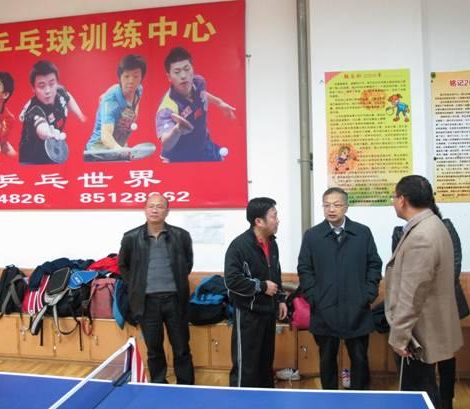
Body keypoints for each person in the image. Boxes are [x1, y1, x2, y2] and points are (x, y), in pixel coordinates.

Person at [385, 175, 463, 409]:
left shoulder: (421, 235)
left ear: (402, 200)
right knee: (426, 389)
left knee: (417, 392)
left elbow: (413, 293)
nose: (393, 202)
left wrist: (400, 336)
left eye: (394, 197)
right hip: (429, 325)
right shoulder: (434, 224)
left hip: (417, 334)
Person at [298, 187, 382, 390]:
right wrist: (313, 296)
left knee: (359, 358)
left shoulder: (362, 233)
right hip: (324, 308)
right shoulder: (312, 236)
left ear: (346, 207)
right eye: (326, 205)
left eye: (336, 205)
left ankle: (360, 398)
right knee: (327, 359)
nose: (331, 209)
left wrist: (368, 294)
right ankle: (329, 398)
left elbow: (374, 264)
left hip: (357, 308)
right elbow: (304, 268)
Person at [118, 193, 194, 384]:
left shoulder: (181, 236)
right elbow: (123, 266)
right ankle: (159, 384)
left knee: (181, 348)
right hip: (147, 303)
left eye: (159, 206)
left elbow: (187, 264)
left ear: (167, 211)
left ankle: (186, 385)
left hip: (175, 301)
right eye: (151, 206)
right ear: (144, 210)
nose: (154, 210)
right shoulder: (131, 237)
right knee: (154, 350)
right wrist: (135, 286)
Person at [224, 197, 287, 387]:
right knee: (247, 365)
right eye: (274, 216)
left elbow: (276, 273)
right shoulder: (239, 246)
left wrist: (281, 299)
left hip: (268, 312)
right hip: (248, 314)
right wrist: (262, 286)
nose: (277, 220)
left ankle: (265, 397)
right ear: (259, 221)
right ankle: (241, 399)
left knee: (265, 363)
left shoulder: (272, 243)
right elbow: (232, 281)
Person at [155, 47, 236, 163]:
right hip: (179, 156)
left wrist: (220, 103)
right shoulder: (167, 108)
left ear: (193, 69)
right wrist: (177, 130)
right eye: (177, 72)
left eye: (187, 69)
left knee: (223, 169)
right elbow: (166, 143)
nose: (183, 76)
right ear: (169, 77)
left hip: (203, 144)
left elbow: (202, 94)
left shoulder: (198, 82)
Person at [19, 60, 86, 164]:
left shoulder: (59, 91)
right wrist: (49, 133)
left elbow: (68, 97)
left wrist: (81, 116)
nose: (48, 91)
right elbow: (41, 126)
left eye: (51, 84)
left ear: (57, 83)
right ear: (33, 89)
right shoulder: (33, 110)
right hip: (31, 161)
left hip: (53, 153)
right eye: (42, 86)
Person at [84, 54, 146, 156]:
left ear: (141, 78)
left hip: (117, 147)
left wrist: (132, 117)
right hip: (98, 150)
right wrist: (120, 150)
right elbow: (106, 136)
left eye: (136, 76)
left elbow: (135, 104)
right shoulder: (111, 102)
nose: (131, 81)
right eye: (126, 76)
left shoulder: (138, 89)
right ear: (120, 77)